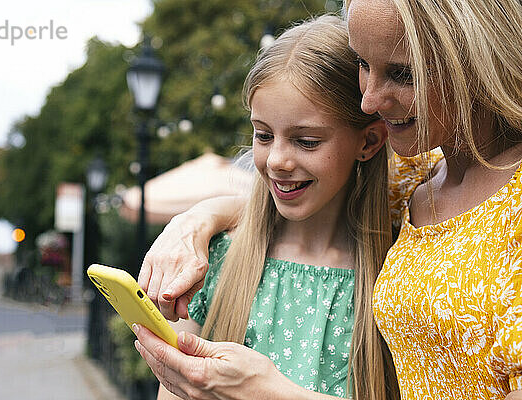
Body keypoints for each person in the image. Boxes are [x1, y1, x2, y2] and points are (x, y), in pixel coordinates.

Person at [136, 0, 522, 398]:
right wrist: (191, 224)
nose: (368, 101)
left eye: (403, 73)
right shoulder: (414, 177)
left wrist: (267, 393)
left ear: (474, 58)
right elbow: (293, 198)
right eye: (362, 63)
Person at [139, 15, 398, 400]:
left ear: (369, 142)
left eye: (306, 141)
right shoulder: (220, 259)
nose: (276, 160)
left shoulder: (395, 278)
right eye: (263, 134)